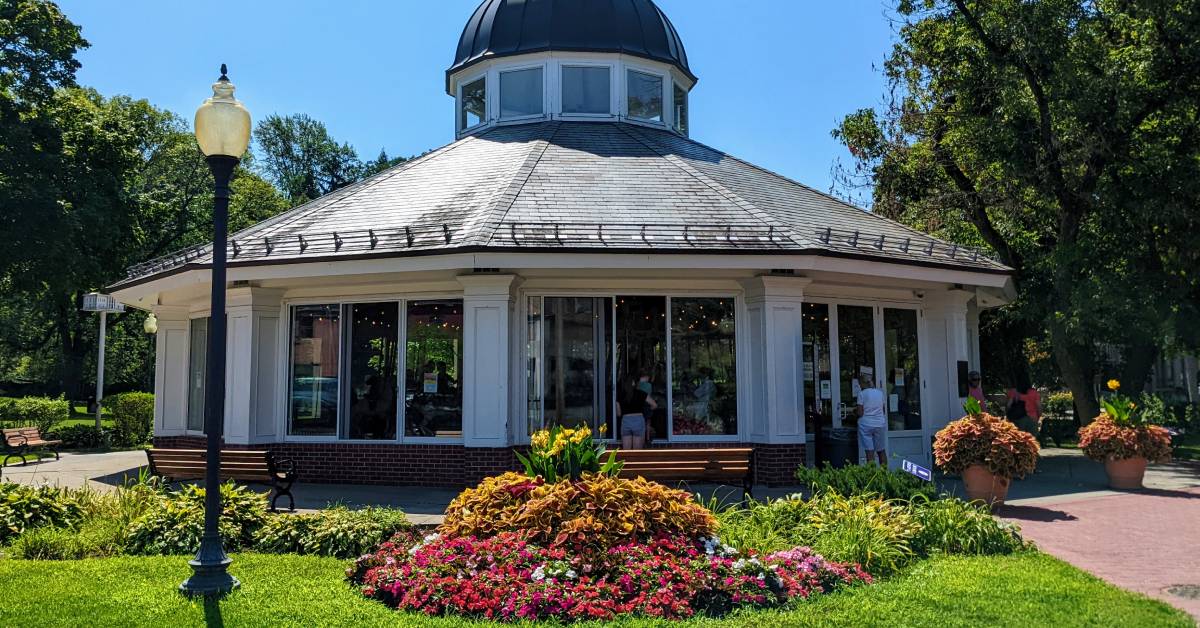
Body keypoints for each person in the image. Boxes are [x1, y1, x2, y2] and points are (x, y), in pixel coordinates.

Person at [854, 373, 888, 465]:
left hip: (866, 425)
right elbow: (883, 411)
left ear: (863, 383)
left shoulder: (861, 394)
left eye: (860, 383)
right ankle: (884, 472)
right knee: (881, 450)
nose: (859, 386)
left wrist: (855, 412)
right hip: (879, 424)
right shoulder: (880, 393)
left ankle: (872, 473)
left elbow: (860, 413)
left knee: (869, 452)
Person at [617, 381, 656, 450]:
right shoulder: (641, 393)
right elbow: (654, 405)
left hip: (626, 420)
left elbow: (619, 413)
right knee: (637, 452)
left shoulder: (620, 395)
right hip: (638, 420)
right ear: (634, 383)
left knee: (626, 451)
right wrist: (646, 411)